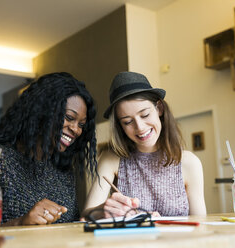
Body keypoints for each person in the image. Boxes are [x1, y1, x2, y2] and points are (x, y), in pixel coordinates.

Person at [0, 72, 98, 225]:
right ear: (42, 111)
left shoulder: (63, 170)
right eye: (69, 118)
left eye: (81, 125)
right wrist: (21, 222)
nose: (76, 130)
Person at [82, 71, 206, 219]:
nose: (140, 127)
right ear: (120, 126)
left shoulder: (189, 163)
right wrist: (103, 211)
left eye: (145, 115)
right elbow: (86, 214)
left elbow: (200, 224)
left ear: (159, 108)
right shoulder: (111, 159)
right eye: (127, 121)